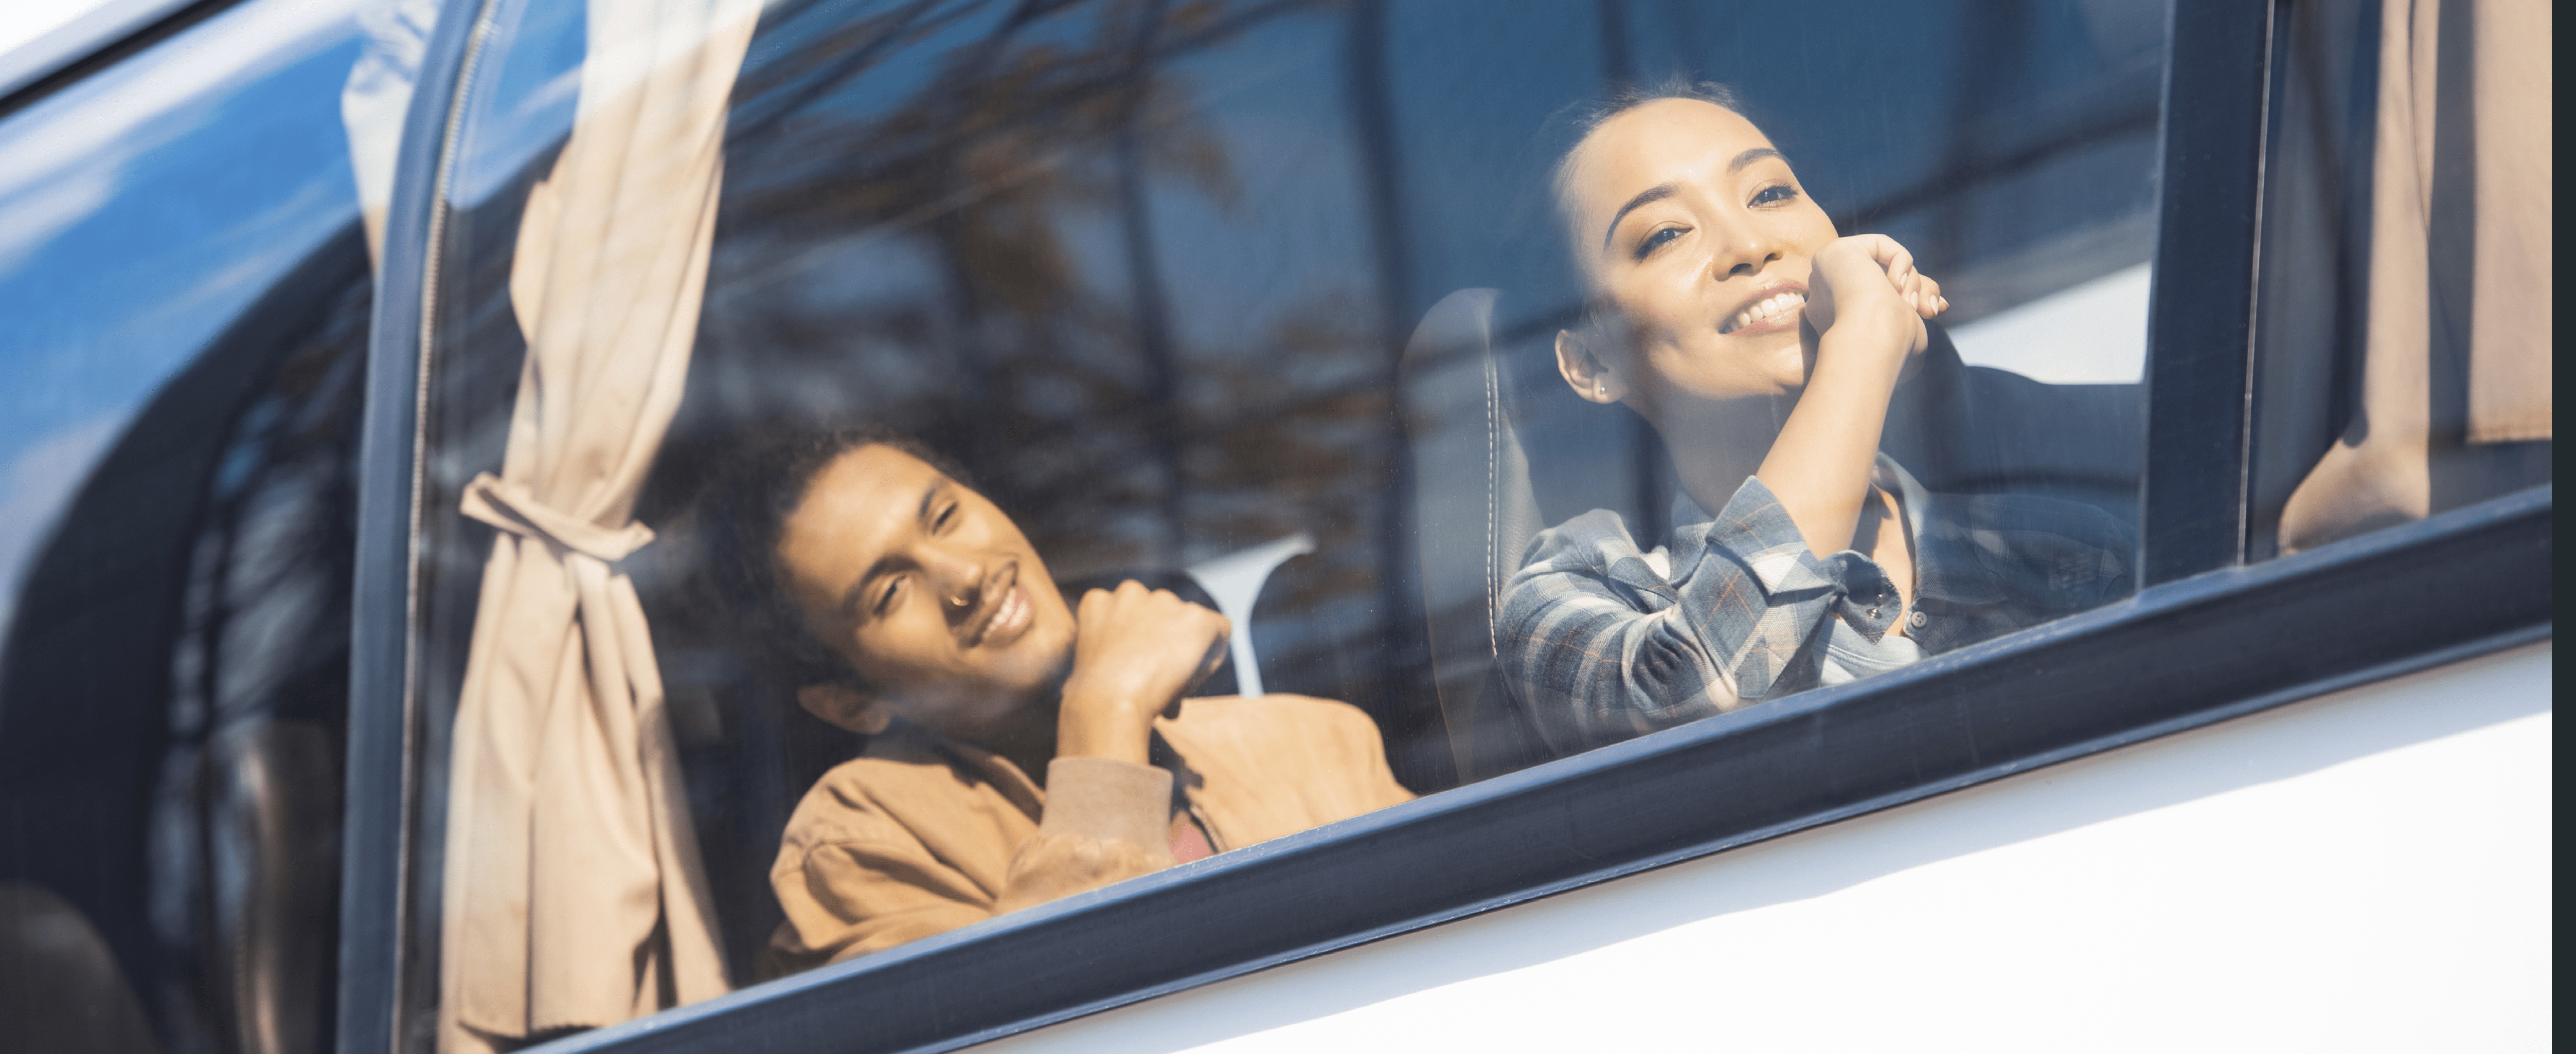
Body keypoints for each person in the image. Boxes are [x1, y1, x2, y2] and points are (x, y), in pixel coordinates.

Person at [1499, 82, 2131, 756]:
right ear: (1594, 363)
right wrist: (1863, 342)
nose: (1750, 243)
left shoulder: (2063, 552)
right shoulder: (1578, 590)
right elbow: (1705, 697)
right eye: (1665, 235)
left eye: (1770, 194)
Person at [703, 428, 1414, 975]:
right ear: (850, 702)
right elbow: (1059, 1020)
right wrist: (1106, 707)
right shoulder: (863, 842)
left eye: (946, 515)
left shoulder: (1311, 739)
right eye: (890, 591)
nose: (966, 576)